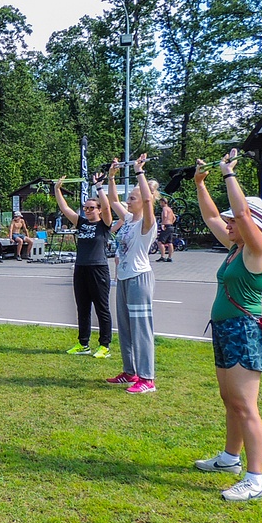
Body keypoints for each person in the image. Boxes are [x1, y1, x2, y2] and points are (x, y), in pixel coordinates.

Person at [193, 149, 262, 502]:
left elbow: (240, 211)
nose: (227, 224)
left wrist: (228, 174)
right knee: (230, 399)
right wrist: (199, 183)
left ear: (250, 224)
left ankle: (255, 479)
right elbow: (212, 215)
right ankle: (229, 459)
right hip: (226, 330)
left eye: (234, 221)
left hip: (245, 331)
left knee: (245, 405)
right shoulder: (235, 248)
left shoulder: (258, 251)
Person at [105, 155, 159, 394]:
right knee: (125, 328)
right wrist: (111, 177)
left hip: (140, 278)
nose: (128, 201)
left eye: (132, 197)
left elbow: (148, 199)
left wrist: (139, 172)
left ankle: (147, 379)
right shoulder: (127, 220)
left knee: (141, 329)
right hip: (124, 278)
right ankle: (130, 372)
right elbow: (112, 199)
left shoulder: (146, 224)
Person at [53, 174, 114, 359]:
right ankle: (83, 343)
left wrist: (99, 188)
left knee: (102, 308)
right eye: (85, 208)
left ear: (98, 210)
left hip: (98, 269)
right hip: (80, 268)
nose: (87, 210)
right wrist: (57, 189)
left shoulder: (104, 224)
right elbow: (65, 208)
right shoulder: (82, 223)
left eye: (91, 208)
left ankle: (104, 346)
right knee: (83, 308)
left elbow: (106, 206)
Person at [157, 198, 176, 262]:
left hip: (166, 226)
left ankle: (162, 256)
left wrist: (163, 224)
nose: (160, 204)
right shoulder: (170, 209)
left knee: (160, 242)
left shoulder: (164, 208)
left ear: (163, 202)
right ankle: (169, 257)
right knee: (169, 242)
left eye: (160, 202)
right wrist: (171, 223)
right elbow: (174, 218)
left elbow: (165, 216)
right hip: (170, 226)